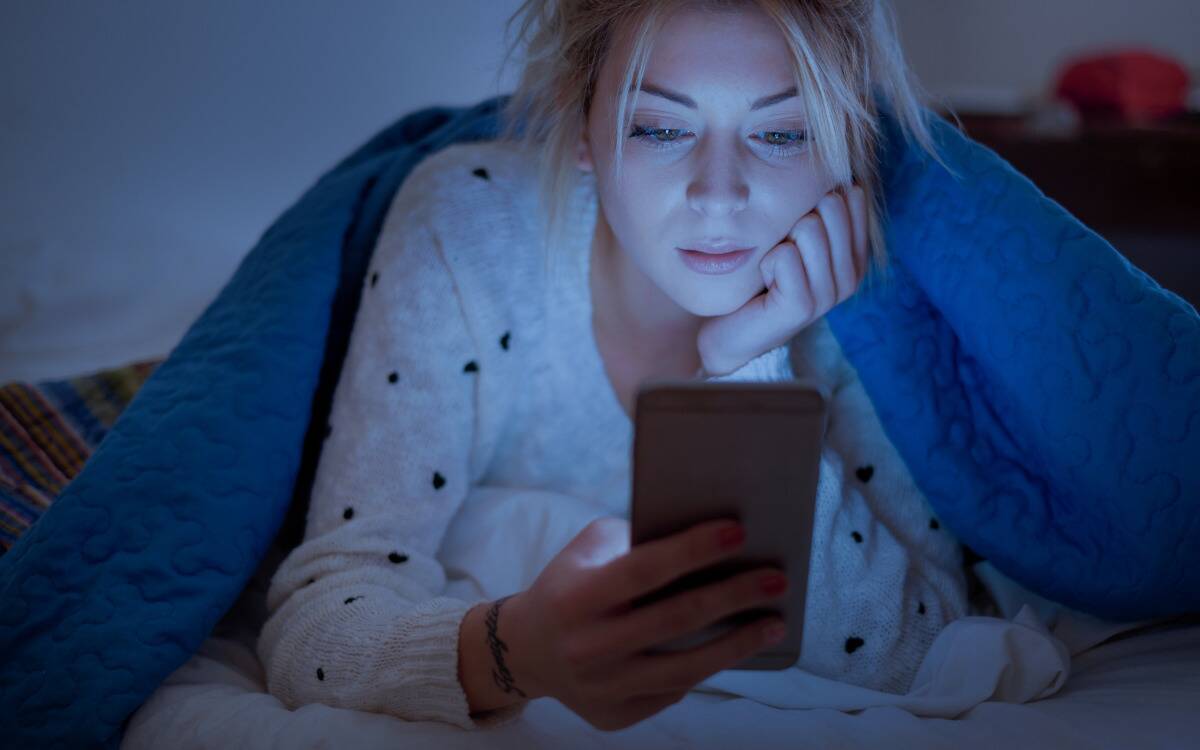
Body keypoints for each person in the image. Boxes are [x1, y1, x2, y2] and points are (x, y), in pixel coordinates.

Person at [256, 0, 968, 733]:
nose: (718, 193)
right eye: (659, 127)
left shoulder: (862, 297)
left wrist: (747, 365)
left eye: (784, 133)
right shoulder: (470, 233)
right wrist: (514, 654)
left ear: (847, 143)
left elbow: (924, 646)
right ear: (581, 127)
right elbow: (314, 622)